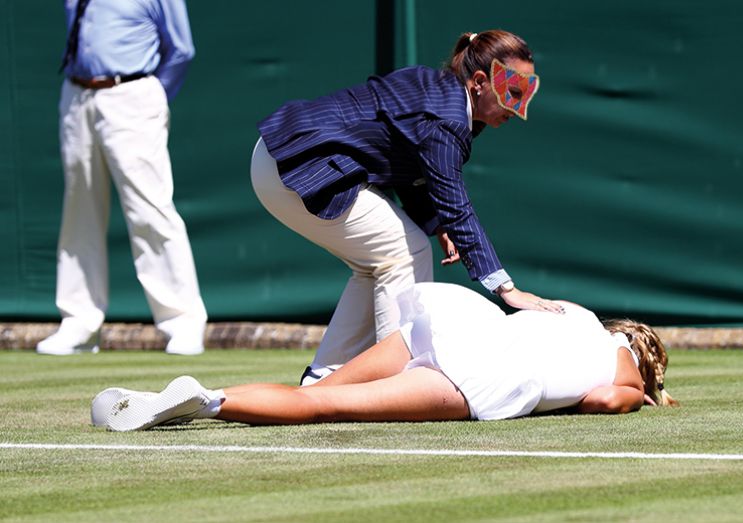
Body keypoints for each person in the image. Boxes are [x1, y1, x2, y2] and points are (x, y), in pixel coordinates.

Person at [251, 30, 561, 384]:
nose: (518, 107)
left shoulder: (443, 93)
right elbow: (455, 203)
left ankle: (324, 378)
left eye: (526, 92)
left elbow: (406, 166)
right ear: (479, 82)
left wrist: (437, 224)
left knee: (383, 259)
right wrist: (507, 288)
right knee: (404, 250)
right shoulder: (448, 118)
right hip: (295, 165)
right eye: (513, 92)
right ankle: (395, 380)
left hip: (279, 157)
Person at [92, 283, 678, 432]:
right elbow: (603, 398)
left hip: (454, 321)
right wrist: (638, 398)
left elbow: (528, 318)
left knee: (314, 393)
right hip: (488, 377)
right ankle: (211, 404)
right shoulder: (625, 373)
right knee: (327, 411)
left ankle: (209, 391)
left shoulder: (577, 315)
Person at [37, 0, 207, 356]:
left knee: (150, 210)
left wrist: (154, 96)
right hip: (75, 96)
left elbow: (182, 49)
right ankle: (79, 323)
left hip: (131, 95)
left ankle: (182, 322)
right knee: (78, 214)